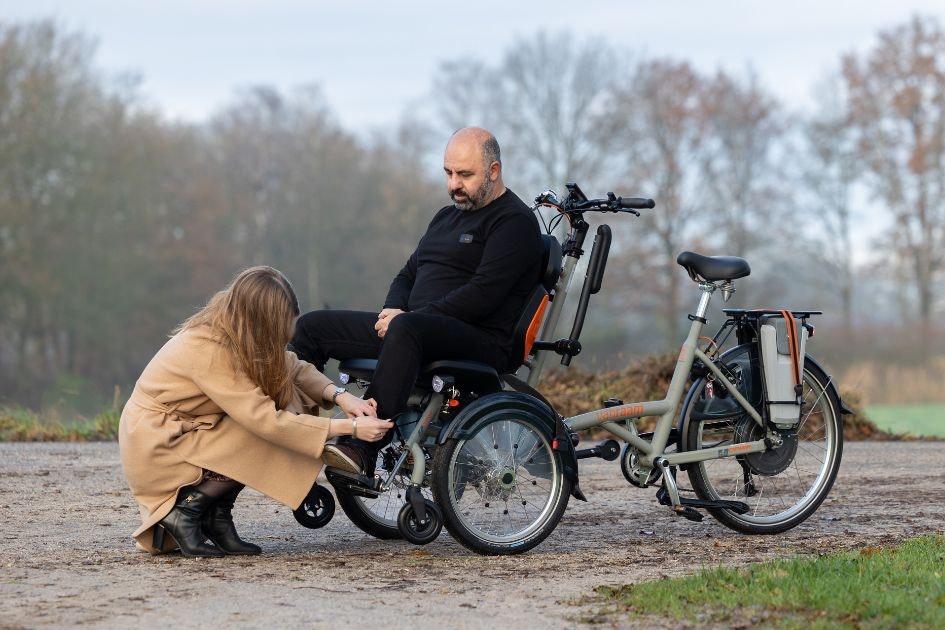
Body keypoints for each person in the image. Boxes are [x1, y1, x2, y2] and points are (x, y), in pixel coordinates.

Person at [290, 127, 541, 474]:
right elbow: (407, 274)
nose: (454, 184)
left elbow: (483, 295)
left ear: (494, 171)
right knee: (312, 327)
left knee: (408, 328)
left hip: (480, 340)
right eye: (448, 173)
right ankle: (291, 431)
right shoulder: (445, 216)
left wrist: (407, 320)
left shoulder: (515, 222)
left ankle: (363, 449)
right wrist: (392, 311)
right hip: (413, 330)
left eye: (465, 175)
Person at [118, 266, 393, 557]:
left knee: (289, 397)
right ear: (261, 321)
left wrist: (342, 398)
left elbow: (293, 367)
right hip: (159, 441)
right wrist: (348, 429)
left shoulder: (234, 328)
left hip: (190, 428)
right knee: (264, 431)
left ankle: (217, 516)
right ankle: (185, 513)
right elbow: (268, 422)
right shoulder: (210, 350)